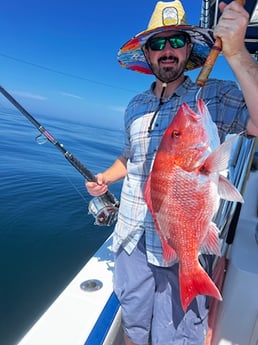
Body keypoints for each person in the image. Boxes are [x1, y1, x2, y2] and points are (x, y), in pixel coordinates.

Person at [86, 1, 258, 344]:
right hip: (131, 237)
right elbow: (130, 156)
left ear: (189, 49)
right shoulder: (136, 105)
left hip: (183, 245)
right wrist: (106, 176)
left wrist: (237, 53)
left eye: (176, 42)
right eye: (158, 44)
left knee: (177, 336)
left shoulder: (211, 96)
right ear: (147, 55)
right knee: (133, 324)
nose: (167, 51)